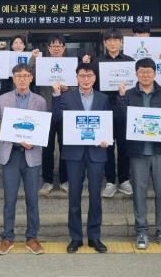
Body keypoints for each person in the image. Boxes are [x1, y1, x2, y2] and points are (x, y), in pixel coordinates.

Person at [0, 63, 47, 256]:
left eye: (26, 76)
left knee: (32, 199)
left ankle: (32, 237)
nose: (22, 79)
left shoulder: (40, 101)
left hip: (31, 155)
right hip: (10, 155)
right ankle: (7, 237)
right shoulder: (4, 98)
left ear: (31, 78)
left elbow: (42, 128)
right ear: (13, 78)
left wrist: (33, 142)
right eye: (18, 76)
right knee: (9, 199)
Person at [118, 58, 161, 251]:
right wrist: (121, 99)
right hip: (138, 152)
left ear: (155, 73)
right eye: (141, 72)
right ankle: (141, 232)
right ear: (136, 74)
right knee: (139, 193)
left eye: (149, 72)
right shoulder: (128, 94)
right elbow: (122, 119)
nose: (145, 75)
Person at [52, 62, 111, 254]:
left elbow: (108, 122)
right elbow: (57, 119)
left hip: (97, 152)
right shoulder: (66, 97)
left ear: (95, 78)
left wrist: (107, 138)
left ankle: (94, 237)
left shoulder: (103, 98)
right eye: (82, 76)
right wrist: (56, 96)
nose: (86, 79)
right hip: (74, 152)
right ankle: (75, 237)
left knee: (95, 197)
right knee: (74, 197)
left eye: (89, 75)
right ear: (76, 78)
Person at [91, 28, 134, 198]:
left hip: (124, 109)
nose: (112, 43)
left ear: (121, 42)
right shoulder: (97, 62)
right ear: (104, 43)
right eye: (109, 40)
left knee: (124, 145)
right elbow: (92, 85)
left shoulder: (130, 61)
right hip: (104, 108)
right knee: (106, 146)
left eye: (116, 40)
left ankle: (124, 179)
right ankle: (110, 181)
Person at [30, 33, 70, 196]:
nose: (56, 49)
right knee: (47, 149)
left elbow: (80, 83)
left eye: (59, 46)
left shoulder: (70, 64)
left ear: (64, 48)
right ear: (48, 48)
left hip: (65, 111)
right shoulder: (41, 64)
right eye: (53, 46)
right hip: (45, 110)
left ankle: (65, 180)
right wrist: (33, 59)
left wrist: (69, 88)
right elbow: (29, 75)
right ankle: (47, 181)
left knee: (66, 147)